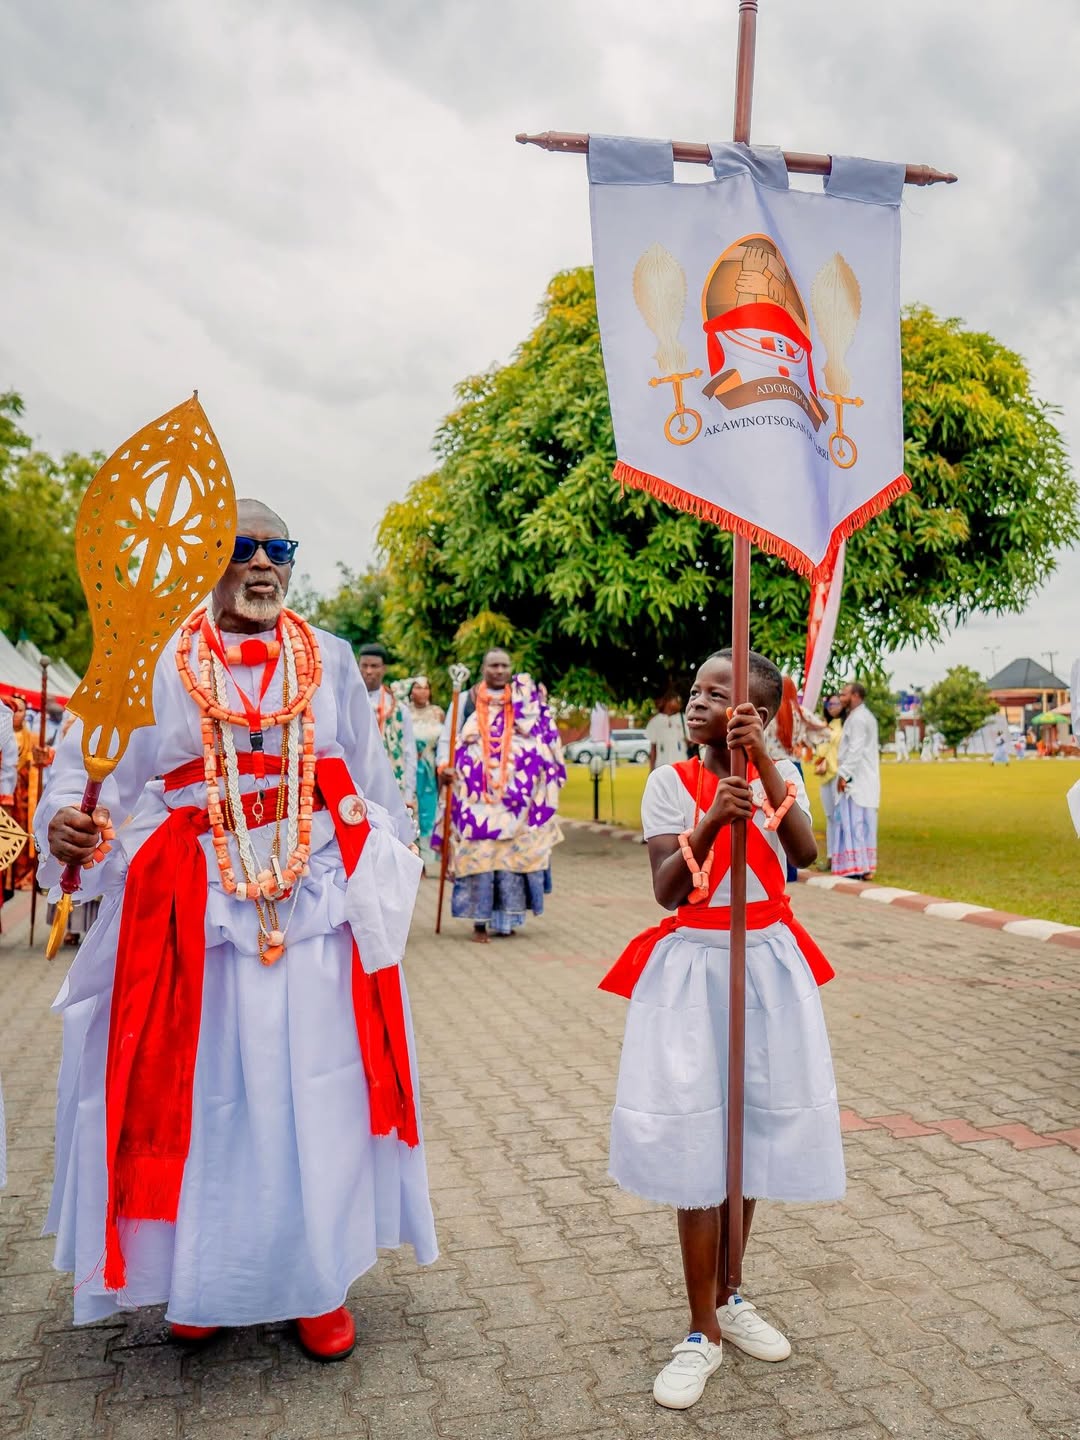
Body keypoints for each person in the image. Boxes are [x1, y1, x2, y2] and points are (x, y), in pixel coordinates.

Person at [36, 499, 436, 1354]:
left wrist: (390, 866)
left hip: (315, 909)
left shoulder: (329, 657)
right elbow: (87, 776)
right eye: (242, 547)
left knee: (315, 1096)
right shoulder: (150, 659)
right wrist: (65, 823)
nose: (263, 563)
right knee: (209, 1101)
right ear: (208, 558)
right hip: (194, 921)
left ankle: (315, 1284)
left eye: (277, 548)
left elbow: (372, 779)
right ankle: (205, 1283)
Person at [599, 649, 842, 1412]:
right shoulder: (670, 784)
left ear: (757, 715)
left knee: (752, 1135)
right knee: (698, 1144)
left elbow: (804, 851)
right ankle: (701, 1327)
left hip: (768, 967)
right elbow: (669, 890)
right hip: (695, 970)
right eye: (697, 692)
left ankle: (733, 1295)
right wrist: (710, 821)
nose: (698, 703)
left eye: (718, 694)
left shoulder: (780, 773)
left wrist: (764, 764)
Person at [435, 648, 566, 942]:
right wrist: (444, 766)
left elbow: (542, 736)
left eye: (504, 666)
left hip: (516, 798)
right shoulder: (466, 700)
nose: (499, 670)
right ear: (483, 668)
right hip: (474, 796)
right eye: (493, 665)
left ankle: (506, 919)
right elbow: (447, 739)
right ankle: (479, 923)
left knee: (510, 854)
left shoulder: (524, 701)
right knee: (479, 854)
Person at [357, 644, 418, 829]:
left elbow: (409, 752)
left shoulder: (399, 709)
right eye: (364, 665)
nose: (369, 671)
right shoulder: (348, 703)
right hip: (356, 783)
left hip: (390, 785)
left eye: (374, 666)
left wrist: (408, 794)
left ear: (383, 669)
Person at [833, 681, 880, 879]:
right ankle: (863, 866)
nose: (841, 698)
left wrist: (844, 774)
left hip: (857, 779)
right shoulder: (859, 716)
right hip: (862, 778)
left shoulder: (859, 719)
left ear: (855, 696)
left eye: (844, 694)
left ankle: (857, 867)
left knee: (856, 824)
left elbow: (856, 750)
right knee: (860, 824)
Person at [404, 676, 445, 869]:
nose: (422, 691)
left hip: (430, 770)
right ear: (411, 691)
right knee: (410, 811)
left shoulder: (437, 713)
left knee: (429, 811)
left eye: (426, 687)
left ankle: (428, 859)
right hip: (409, 768)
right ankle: (411, 856)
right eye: (418, 687)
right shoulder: (403, 711)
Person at [2, 696, 35, 896]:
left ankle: (18, 877)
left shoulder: (30, 737)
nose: (16, 715)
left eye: (20, 711)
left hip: (20, 795)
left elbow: (9, 769)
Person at [812, 695, 845, 866]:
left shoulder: (845, 725)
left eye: (836, 703)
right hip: (825, 775)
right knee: (830, 816)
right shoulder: (825, 725)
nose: (832, 706)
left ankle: (842, 857)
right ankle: (832, 856)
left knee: (840, 816)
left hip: (838, 774)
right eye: (829, 704)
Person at [646, 692, 688, 771]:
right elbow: (653, 748)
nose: (679, 704)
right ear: (667, 702)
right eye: (675, 700)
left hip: (681, 765)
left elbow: (691, 742)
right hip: (661, 766)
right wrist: (651, 769)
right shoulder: (655, 721)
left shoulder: (684, 719)